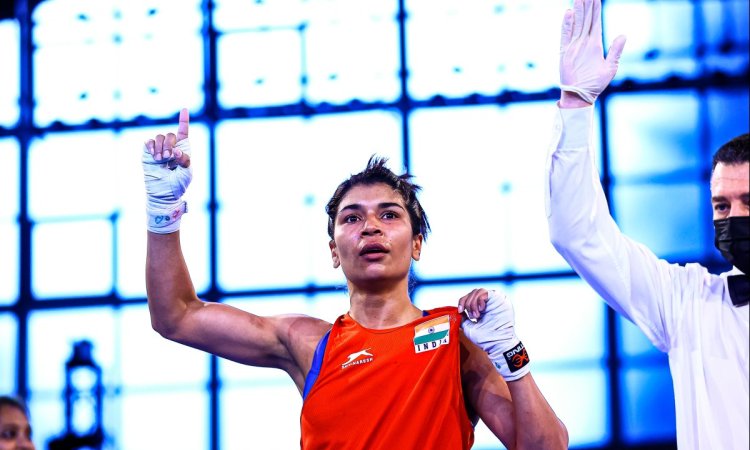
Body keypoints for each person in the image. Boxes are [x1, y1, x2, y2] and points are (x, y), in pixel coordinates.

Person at [141, 115, 568, 449]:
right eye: (351, 218)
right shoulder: (307, 343)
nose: (370, 227)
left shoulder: (457, 339)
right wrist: (163, 210)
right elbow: (176, 316)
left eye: (389, 214)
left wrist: (510, 352)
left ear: (416, 244)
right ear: (333, 251)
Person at [546, 0, 749, 448]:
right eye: (721, 206)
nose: (734, 217)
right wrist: (576, 105)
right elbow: (578, 234)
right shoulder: (689, 301)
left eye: (748, 202)